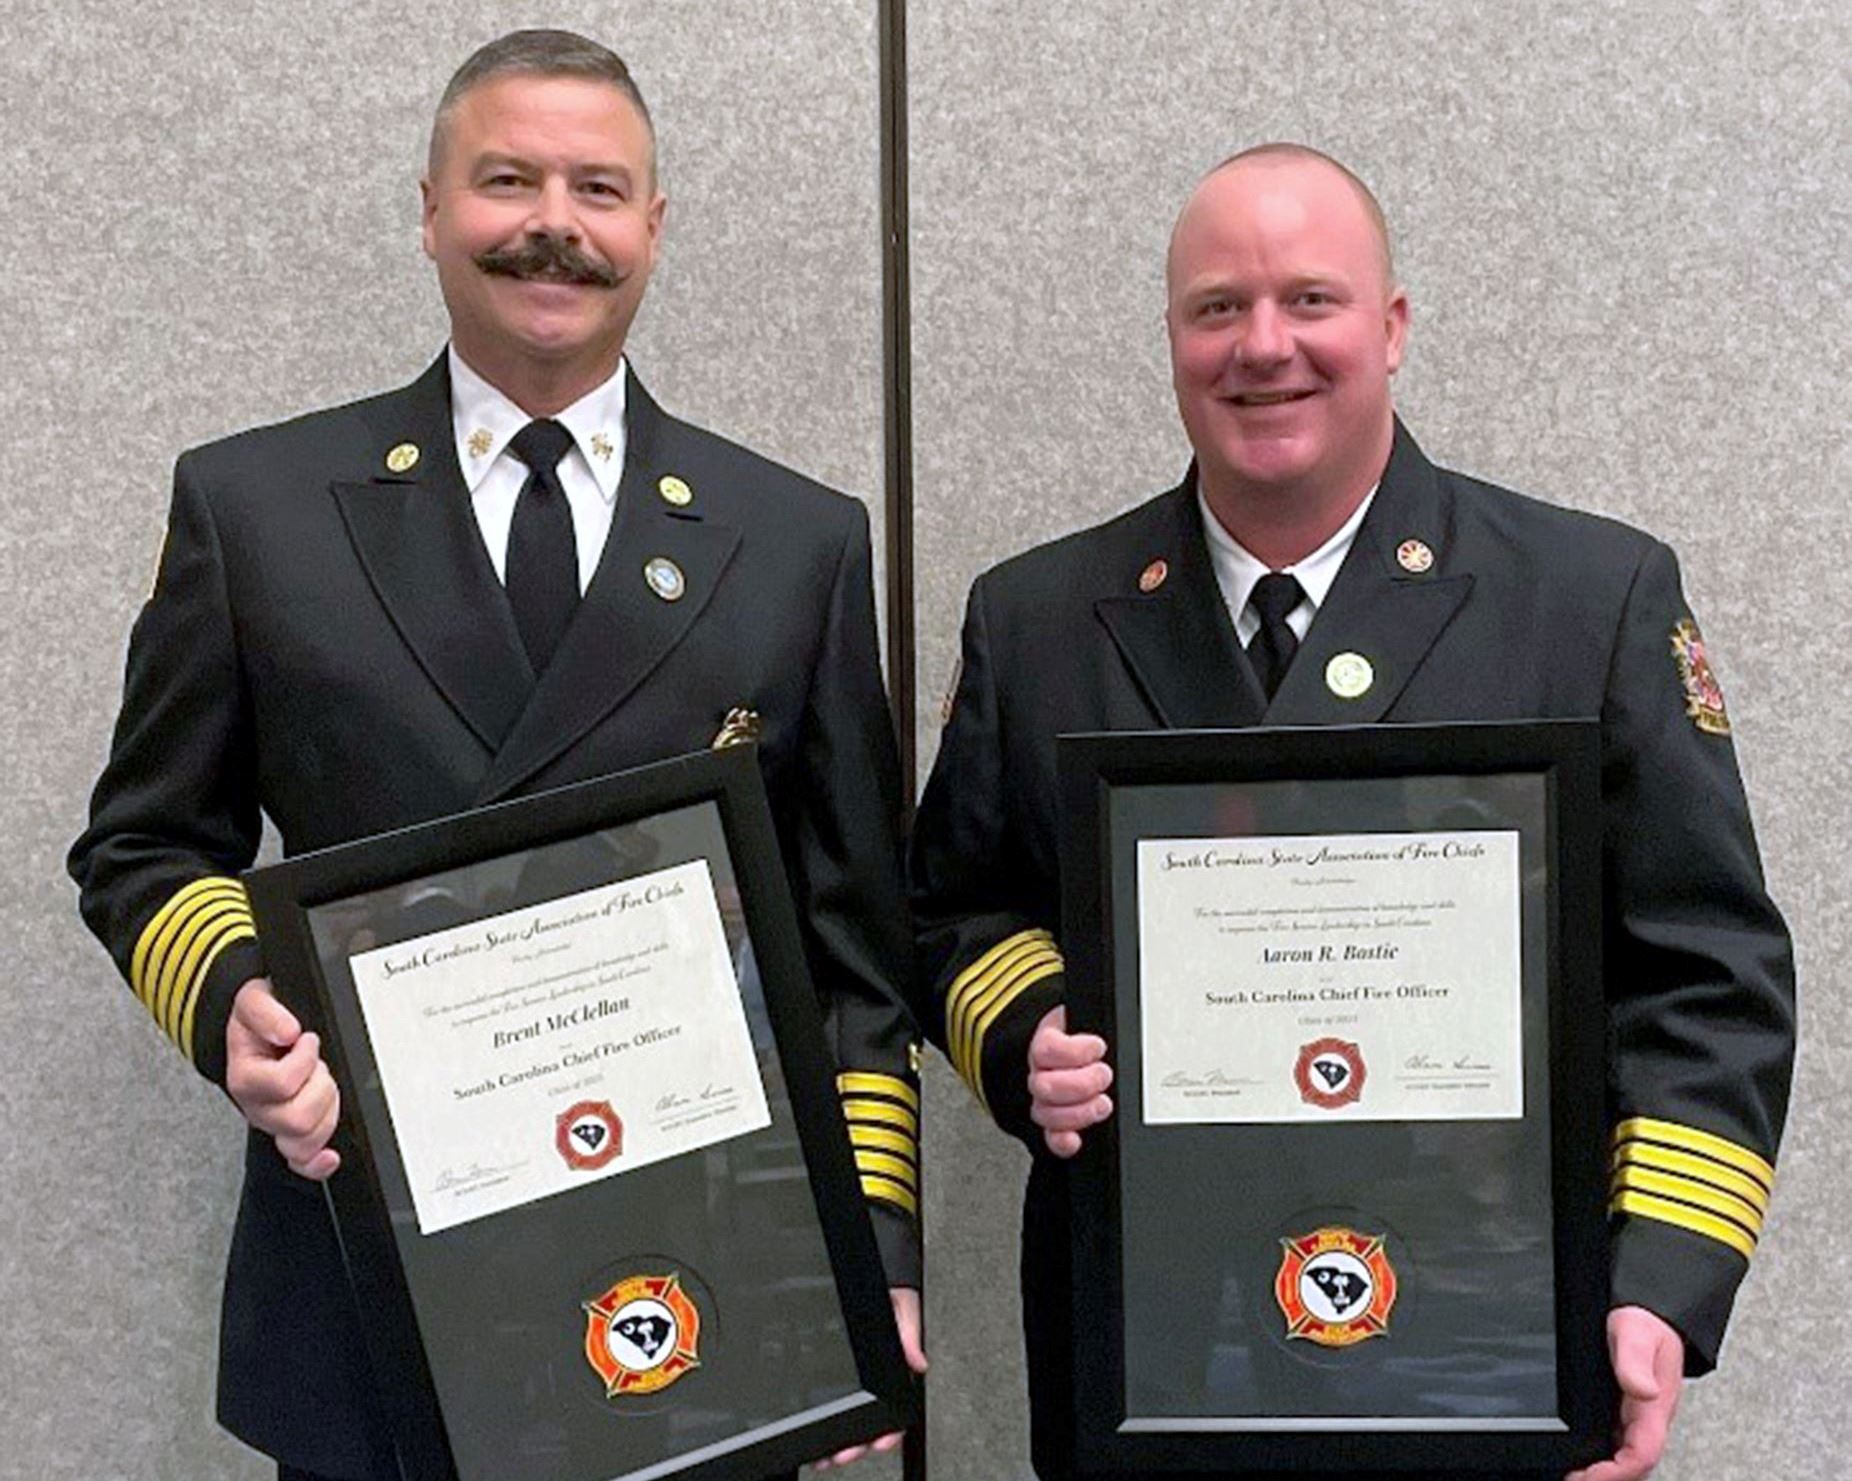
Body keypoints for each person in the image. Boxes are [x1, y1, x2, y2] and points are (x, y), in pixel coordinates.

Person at [70, 30, 922, 1481]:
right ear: (428, 211)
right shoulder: (258, 509)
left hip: (705, 1276)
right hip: (365, 1281)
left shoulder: (797, 542)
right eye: (507, 179)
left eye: (599, 188)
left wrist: (869, 1262)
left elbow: (855, 960)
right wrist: (238, 1011)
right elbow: (144, 847)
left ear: (655, 226)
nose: (553, 224)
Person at [910, 143, 1793, 1481]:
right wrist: (1034, 1029)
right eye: (1219, 307)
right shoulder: (1039, 617)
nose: (1265, 345)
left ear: (1390, 328)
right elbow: (951, 911)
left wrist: (1657, 1285)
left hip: (1488, 1337)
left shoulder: (1585, 598)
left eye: (1310, 300)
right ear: (1172, 339)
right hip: (1154, 1352)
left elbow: (1707, 976)